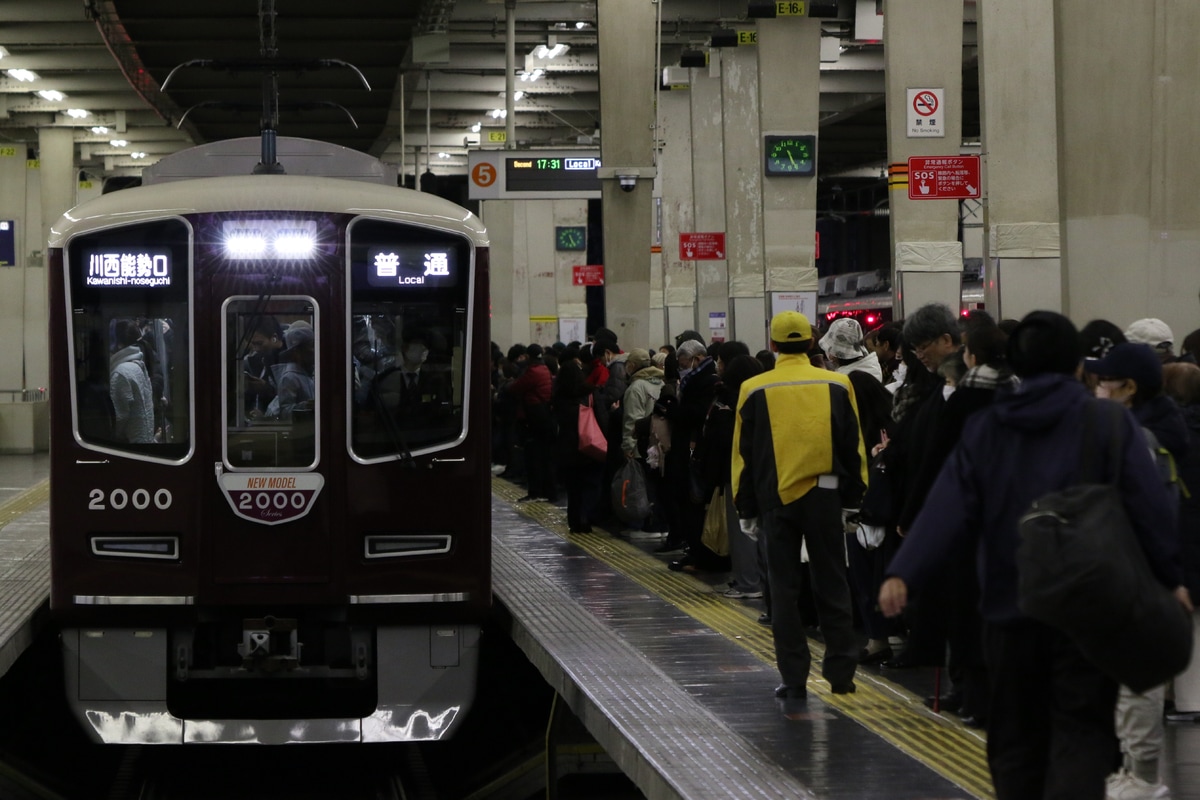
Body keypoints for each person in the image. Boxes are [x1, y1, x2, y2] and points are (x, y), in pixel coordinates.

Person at [878, 310, 1188, 800]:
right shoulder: (1108, 422)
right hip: (1091, 606)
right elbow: (1148, 506)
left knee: (1015, 737)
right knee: (1083, 729)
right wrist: (1170, 577)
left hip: (1010, 605)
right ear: (1078, 366)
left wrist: (904, 571)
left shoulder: (989, 425)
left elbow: (947, 504)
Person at [733, 311, 868, 702]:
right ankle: (842, 675)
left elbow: (742, 456)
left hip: (775, 501)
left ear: (773, 346)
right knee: (832, 584)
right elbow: (853, 446)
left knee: (784, 589)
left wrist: (746, 508)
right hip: (825, 498)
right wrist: (853, 499)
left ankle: (793, 678)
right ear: (812, 343)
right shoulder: (838, 384)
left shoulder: (753, 389)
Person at [1083, 342, 1188, 800]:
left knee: (1138, 680)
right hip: (1146, 567)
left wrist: (1169, 577)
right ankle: (1134, 769)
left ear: (1128, 388)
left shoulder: (1145, 436)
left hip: (1146, 570)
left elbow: (1153, 513)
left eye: (1103, 382)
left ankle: (1144, 777)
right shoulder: (1156, 425)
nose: (1096, 389)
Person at [109, 319, 156, 444]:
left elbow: (119, 419)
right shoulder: (137, 365)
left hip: (129, 448)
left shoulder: (121, 373)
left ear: (118, 344)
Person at [265, 319, 315, 421]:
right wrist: (305, 406)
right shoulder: (289, 377)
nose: (314, 351)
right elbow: (284, 411)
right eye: (311, 346)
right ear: (297, 352)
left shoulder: (313, 372)